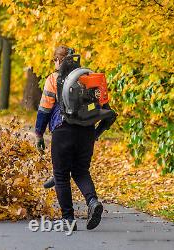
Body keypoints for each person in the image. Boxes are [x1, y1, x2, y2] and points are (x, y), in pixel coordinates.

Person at [35, 45, 115, 231]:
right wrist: (95, 133)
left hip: (63, 131)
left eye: (54, 60)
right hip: (86, 130)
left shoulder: (53, 79)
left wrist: (39, 133)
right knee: (80, 171)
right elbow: (105, 108)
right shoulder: (89, 78)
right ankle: (93, 201)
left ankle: (68, 220)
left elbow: (44, 109)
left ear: (58, 60)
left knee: (61, 176)